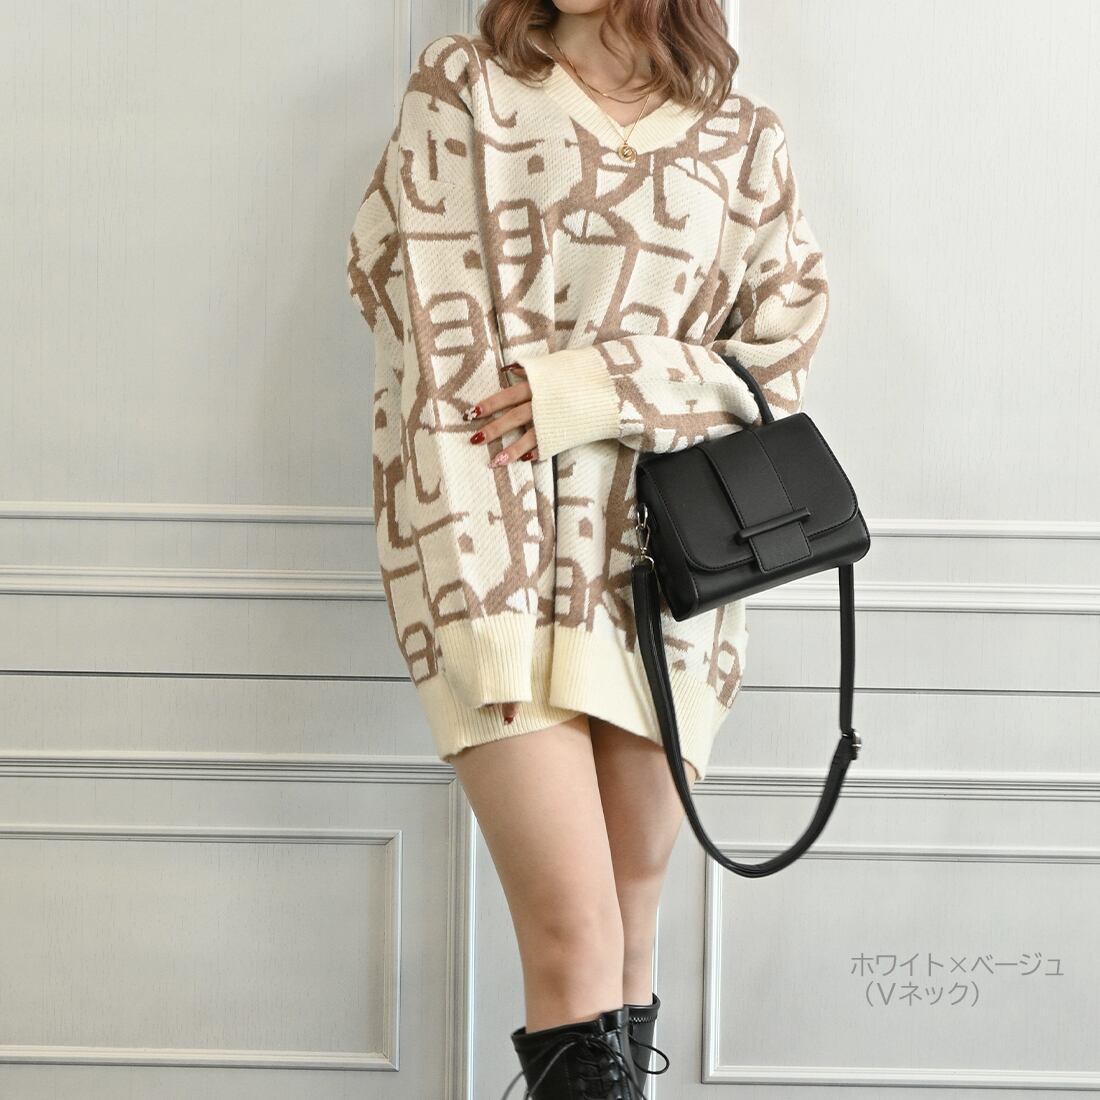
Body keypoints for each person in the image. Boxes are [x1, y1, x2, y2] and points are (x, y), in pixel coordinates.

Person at [347, 1, 830, 1095]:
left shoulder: (742, 139)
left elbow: (776, 363)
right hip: (491, 565)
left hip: (674, 581)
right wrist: (482, 612)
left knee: (625, 939)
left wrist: (596, 387)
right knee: (573, 937)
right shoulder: (464, 93)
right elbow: (432, 360)